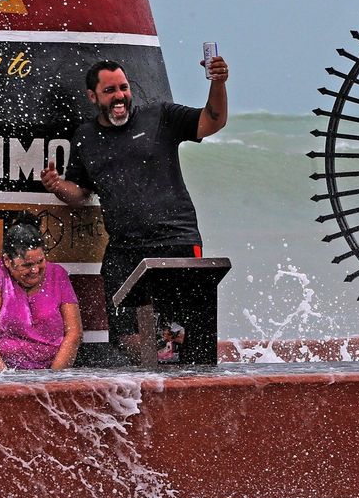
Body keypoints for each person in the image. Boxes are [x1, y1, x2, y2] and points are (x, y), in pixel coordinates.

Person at [40, 55, 229, 360]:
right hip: (123, 250)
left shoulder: (160, 116)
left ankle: (183, 385)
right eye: (110, 90)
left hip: (175, 242)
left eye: (124, 88)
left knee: (180, 335)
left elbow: (213, 120)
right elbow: (81, 192)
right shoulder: (85, 137)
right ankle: (146, 386)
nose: (119, 96)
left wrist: (217, 83)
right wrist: (57, 186)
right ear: (92, 96)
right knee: (126, 337)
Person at [0, 217, 82, 371]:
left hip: (51, 374)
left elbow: (74, 334)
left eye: (40, 261)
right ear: (7, 261)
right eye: (27, 265)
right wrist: (5, 381)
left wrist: (53, 379)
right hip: (0, 374)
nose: (35, 270)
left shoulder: (57, 274)